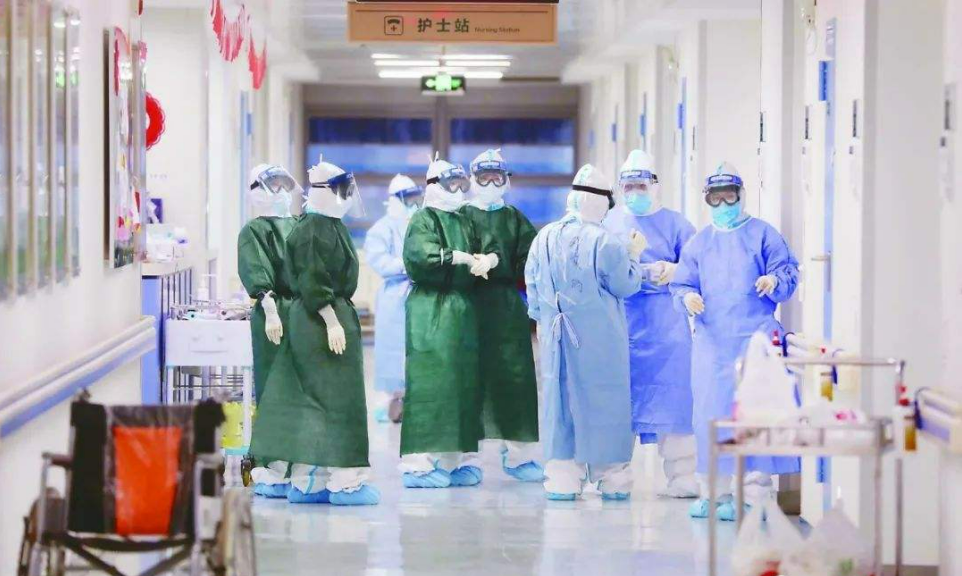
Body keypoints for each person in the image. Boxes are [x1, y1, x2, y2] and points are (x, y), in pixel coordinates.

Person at [669, 162, 800, 521]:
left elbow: (787, 272)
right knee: (711, 416)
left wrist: (774, 281)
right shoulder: (699, 244)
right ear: (707, 200)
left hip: (754, 340)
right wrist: (687, 298)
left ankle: (755, 495)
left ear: (741, 196)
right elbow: (681, 284)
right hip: (712, 346)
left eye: (730, 197)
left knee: (755, 414)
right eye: (716, 198)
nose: (723, 204)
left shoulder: (763, 235)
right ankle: (714, 492)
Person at [249, 155, 379, 506]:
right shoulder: (311, 230)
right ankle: (342, 482)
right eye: (340, 190)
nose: (346, 196)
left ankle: (311, 480)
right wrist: (331, 319)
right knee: (333, 402)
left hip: (325, 317)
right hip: (319, 321)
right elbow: (312, 280)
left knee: (321, 401)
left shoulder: (329, 225)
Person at [525, 164, 653, 501]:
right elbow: (625, 285)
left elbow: (533, 293)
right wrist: (633, 256)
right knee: (603, 400)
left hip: (556, 339)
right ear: (601, 201)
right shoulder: (605, 242)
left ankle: (562, 477)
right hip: (600, 342)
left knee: (560, 401)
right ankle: (611, 476)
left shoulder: (544, 238)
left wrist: (545, 321)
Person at [398, 154, 498, 489]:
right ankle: (418, 464)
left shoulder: (465, 220)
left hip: (463, 311)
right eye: (450, 184)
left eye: (459, 184)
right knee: (432, 384)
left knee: (463, 386)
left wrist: (488, 258)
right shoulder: (422, 219)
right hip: (430, 310)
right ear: (432, 186)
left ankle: (458, 460)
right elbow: (421, 256)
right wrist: (458, 257)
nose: (456, 190)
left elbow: (487, 246)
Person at [604, 150, 699, 498]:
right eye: (628, 186)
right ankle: (614, 477)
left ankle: (683, 475)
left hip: (666, 326)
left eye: (641, 185)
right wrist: (637, 271)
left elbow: (697, 266)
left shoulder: (677, 225)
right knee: (618, 402)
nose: (634, 192)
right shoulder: (609, 223)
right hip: (622, 321)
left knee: (674, 400)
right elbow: (600, 268)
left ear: (655, 186)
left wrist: (676, 272)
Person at [462, 149, 544, 483]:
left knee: (515, 380)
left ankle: (520, 456)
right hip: (468, 306)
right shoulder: (460, 217)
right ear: (472, 180)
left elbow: (532, 262)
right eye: (484, 178)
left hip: (508, 309)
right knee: (468, 381)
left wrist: (501, 263)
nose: (491, 184)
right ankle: (465, 458)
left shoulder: (515, 219)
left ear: (506, 180)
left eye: (497, 177)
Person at [238, 163, 299, 499]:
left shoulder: (299, 224)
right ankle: (269, 465)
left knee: (299, 390)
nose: (279, 192)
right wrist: (271, 310)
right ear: (255, 192)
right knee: (274, 389)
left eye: (282, 185)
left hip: (301, 314)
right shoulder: (253, 232)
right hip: (272, 316)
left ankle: (297, 462)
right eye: (271, 186)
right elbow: (257, 273)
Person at [364, 174, 423, 423]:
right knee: (393, 350)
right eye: (408, 199)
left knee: (418, 347)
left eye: (415, 198)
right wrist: (407, 265)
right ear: (395, 199)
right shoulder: (381, 229)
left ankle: (416, 400)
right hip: (394, 297)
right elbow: (379, 260)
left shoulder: (420, 224)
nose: (413, 204)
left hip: (419, 294)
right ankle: (394, 400)